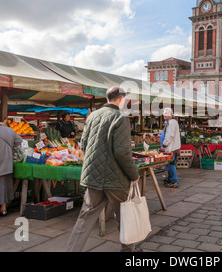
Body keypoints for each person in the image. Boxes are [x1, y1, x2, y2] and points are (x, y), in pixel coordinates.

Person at [67, 87, 141, 252]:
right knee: (124, 215)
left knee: (85, 217)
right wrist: (133, 174)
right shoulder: (120, 117)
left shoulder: (92, 115)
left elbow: (84, 144)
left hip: (93, 175)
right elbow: (122, 151)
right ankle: (129, 250)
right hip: (115, 178)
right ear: (121, 98)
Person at [159, 108, 181, 188]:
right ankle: (170, 179)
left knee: (171, 165)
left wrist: (164, 146)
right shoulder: (171, 122)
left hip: (171, 148)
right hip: (172, 147)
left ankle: (174, 181)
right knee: (171, 164)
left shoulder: (171, 122)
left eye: (167, 114)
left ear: (171, 114)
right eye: (164, 113)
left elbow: (169, 136)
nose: (165, 115)